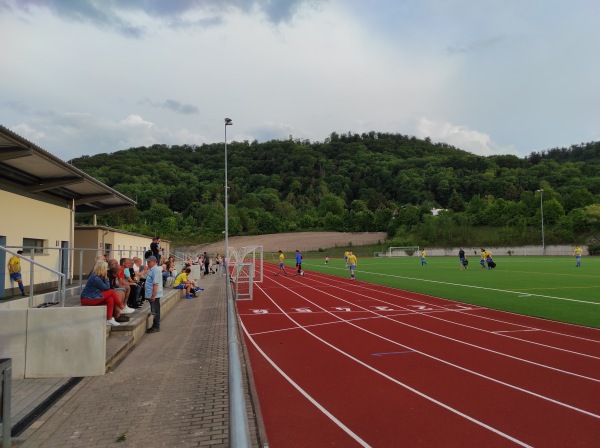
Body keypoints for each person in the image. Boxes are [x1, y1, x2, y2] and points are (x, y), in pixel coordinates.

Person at [80, 261, 128, 326]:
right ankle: (122, 307)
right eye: (106, 268)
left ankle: (109, 319)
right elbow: (107, 288)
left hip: (94, 297)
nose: (107, 270)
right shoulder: (95, 278)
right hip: (87, 299)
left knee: (110, 299)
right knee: (111, 292)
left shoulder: (98, 276)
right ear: (102, 269)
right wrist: (106, 278)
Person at [145, 256, 163, 333]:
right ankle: (155, 325)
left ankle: (155, 326)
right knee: (154, 310)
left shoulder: (156, 270)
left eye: (149, 262)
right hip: (152, 294)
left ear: (154, 262)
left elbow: (155, 284)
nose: (148, 263)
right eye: (147, 262)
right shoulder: (153, 269)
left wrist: (153, 295)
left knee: (155, 311)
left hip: (154, 295)